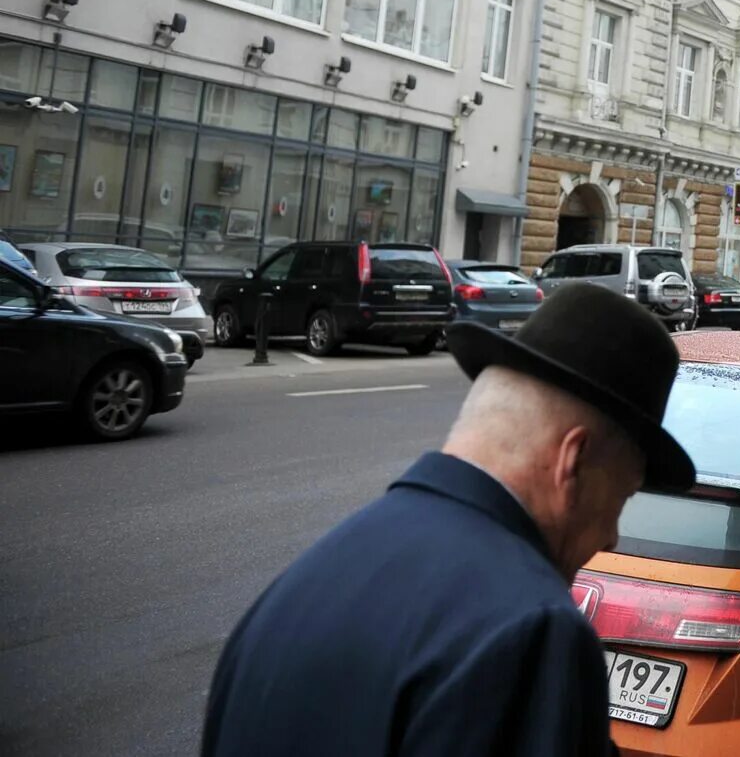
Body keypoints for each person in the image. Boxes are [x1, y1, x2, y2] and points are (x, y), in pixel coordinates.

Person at [202, 284, 694, 757]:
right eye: (623, 496)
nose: (611, 537)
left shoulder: (297, 588)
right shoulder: (530, 631)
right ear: (573, 461)